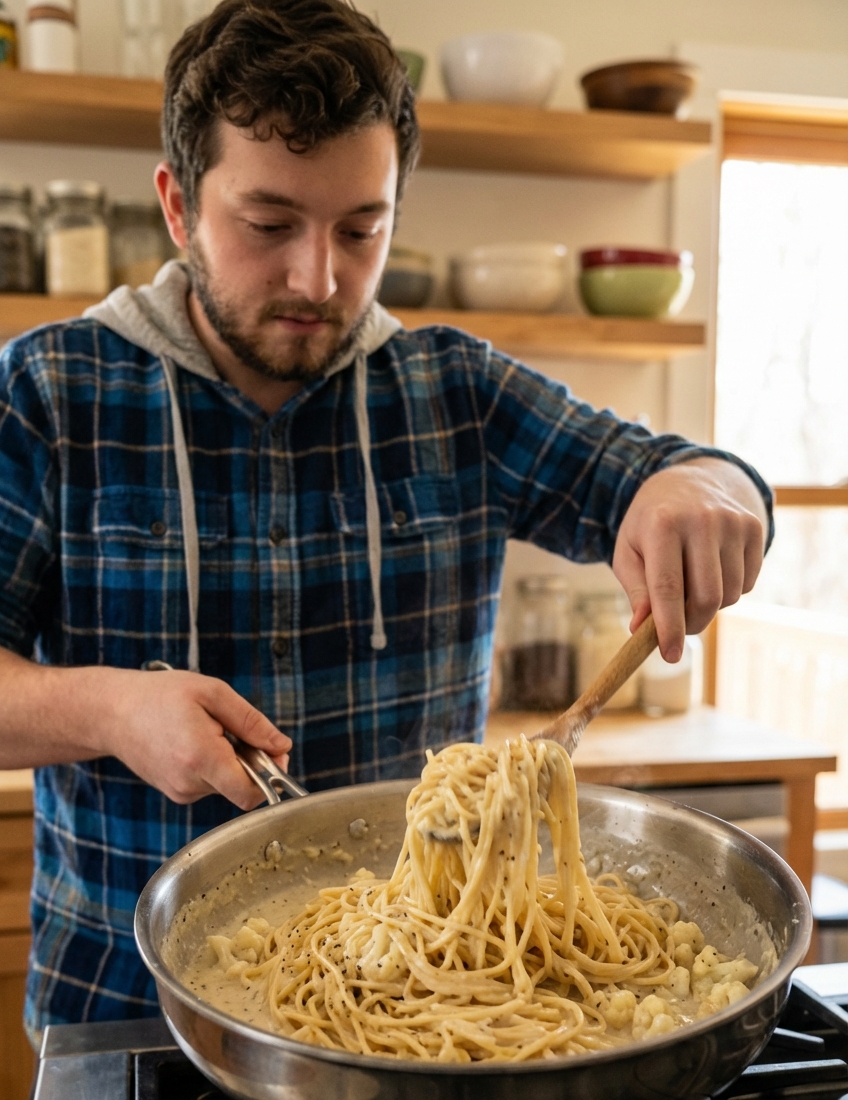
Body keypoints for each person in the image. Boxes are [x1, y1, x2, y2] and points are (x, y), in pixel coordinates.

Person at [0, 0, 770, 1046]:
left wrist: (707, 490)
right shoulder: (48, 392)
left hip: (440, 1025)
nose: (318, 279)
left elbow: (680, 474)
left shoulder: (456, 390)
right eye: (268, 225)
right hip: (125, 1020)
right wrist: (105, 710)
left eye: (361, 229)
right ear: (178, 207)